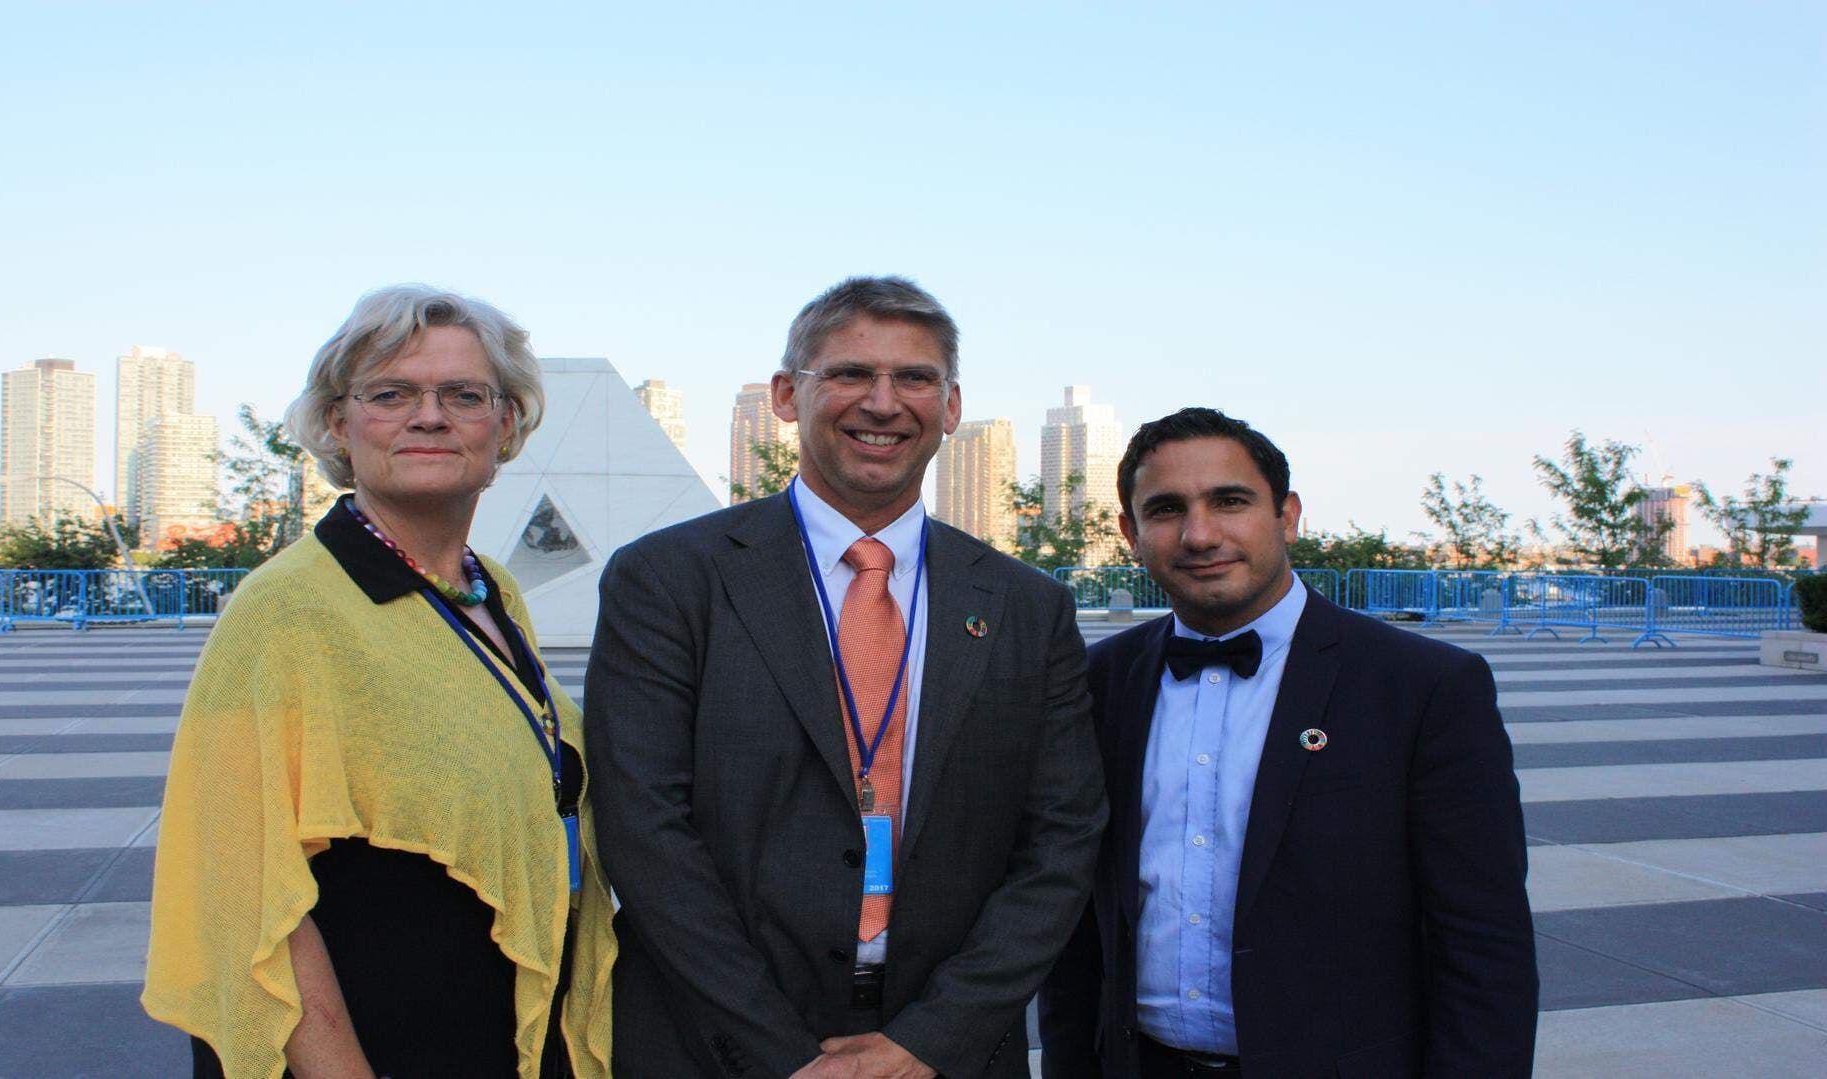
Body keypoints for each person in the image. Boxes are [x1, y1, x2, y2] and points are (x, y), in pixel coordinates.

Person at [585, 275, 1107, 1078]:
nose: (883, 402)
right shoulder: (669, 580)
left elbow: (1062, 841)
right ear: (790, 394)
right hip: (715, 1042)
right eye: (852, 373)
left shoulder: (1027, 607)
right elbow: (644, 829)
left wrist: (930, 1041)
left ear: (952, 406)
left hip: (947, 1045)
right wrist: (779, 1053)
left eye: (915, 378)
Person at [143, 285, 615, 1078]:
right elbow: (244, 889)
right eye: (391, 393)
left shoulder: (487, 588)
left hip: (510, 1038)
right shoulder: (286, 609)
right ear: (338, 422)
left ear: (504, 427)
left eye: (464, 394)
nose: (429, 416)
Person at [1038, 407, 1537, 1078]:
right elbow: (1077, 925)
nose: (1200, 533)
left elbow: (1485, 943)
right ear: (1130, 533)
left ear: (1288, 514)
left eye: (1230, 501)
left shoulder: (1424, 687)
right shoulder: (1099, 683)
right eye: (1165, 509)